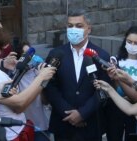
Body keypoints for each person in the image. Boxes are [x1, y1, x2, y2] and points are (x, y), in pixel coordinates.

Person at [0, 25, 57, 141]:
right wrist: (41, 77)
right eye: (4, 45)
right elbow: (19, 106)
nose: (7, 48)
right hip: (11, 134)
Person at [44, 9, 111, 141]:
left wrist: (82, 113)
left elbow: (104, 90)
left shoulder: (100, 55)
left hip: (91, 124)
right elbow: (50, 87)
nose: (73, 29)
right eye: (70, 26)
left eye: (79, 26)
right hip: (63, 123)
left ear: (89, 29)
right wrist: (69, 113)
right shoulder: (56, 54)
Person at [105, 26, 137, 141]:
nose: (132, 45)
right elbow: (113, 86)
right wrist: (114, 80)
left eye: (136, 42)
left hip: (136, 109)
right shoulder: (116, 60)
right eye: (129, 42)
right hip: (115, 106)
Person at [16, 40, 51, 141]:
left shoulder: (38, 72)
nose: (30, 57)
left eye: (31, 54)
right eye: (26, 54)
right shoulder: (15, 75)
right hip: (23, 127)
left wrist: (41, 78)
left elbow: (46, 101)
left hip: (41, 126)